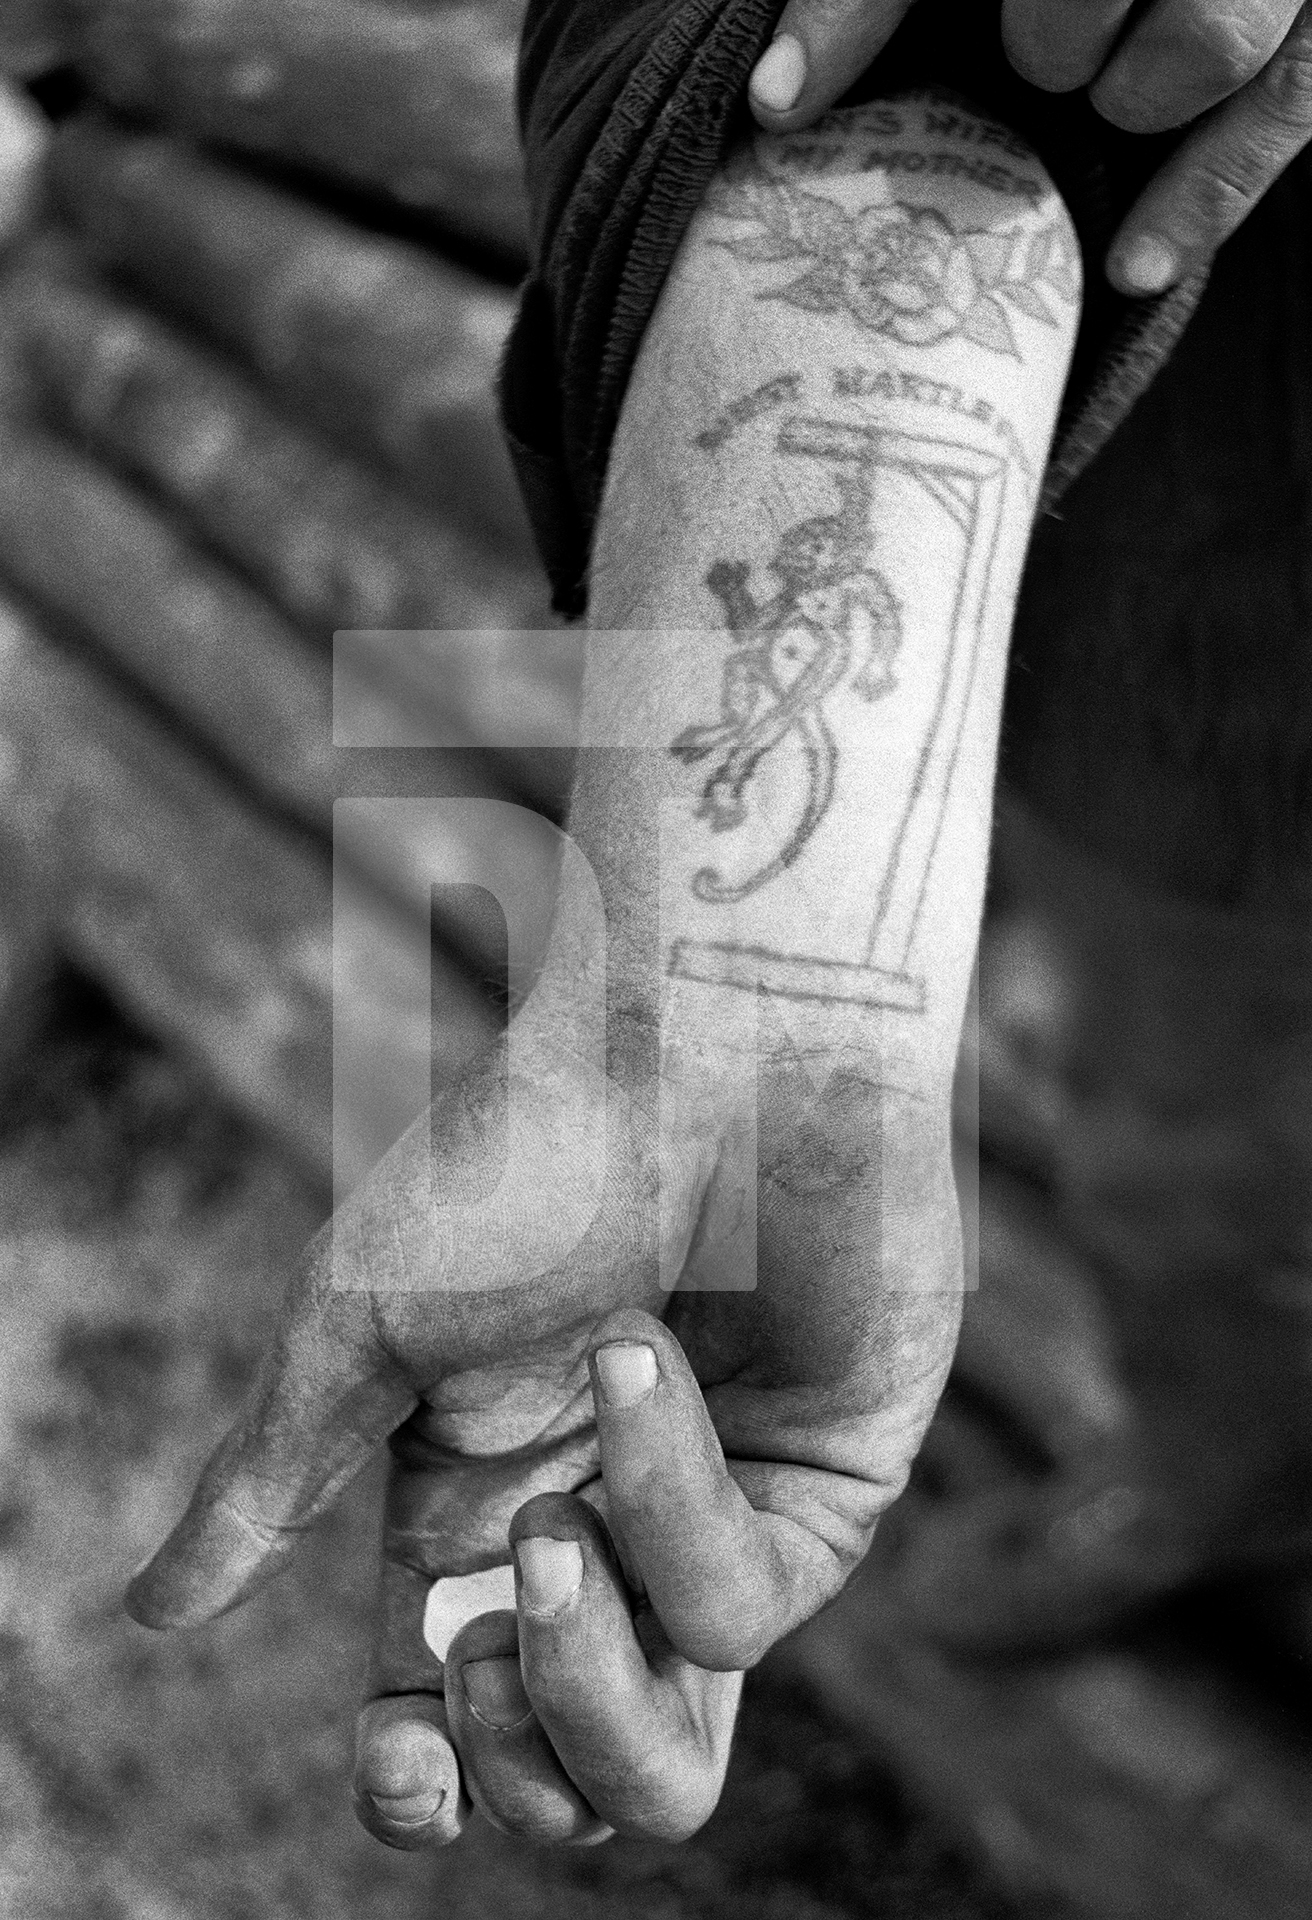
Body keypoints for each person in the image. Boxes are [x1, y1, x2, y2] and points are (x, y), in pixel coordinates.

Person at [125, 0, 1312, 1853]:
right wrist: (692, 1029)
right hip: (1231, 667)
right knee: (1199, 1126)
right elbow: (952, 62)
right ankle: (1213, 1465)